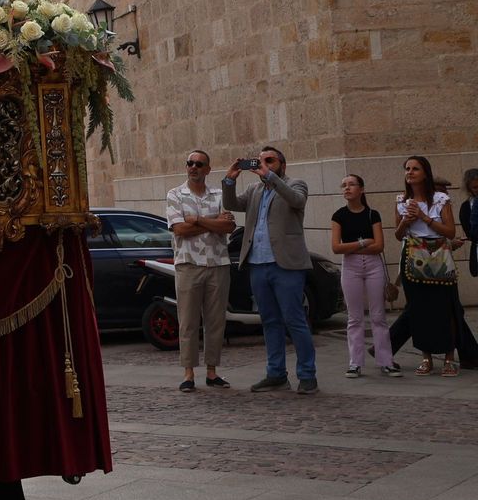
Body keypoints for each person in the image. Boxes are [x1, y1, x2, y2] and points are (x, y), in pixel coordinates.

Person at [222, 146, 316, 394]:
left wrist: (271, 178)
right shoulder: (254, 190)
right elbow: (230, 203)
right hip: (258, 263)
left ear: (281, 165)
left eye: (269, 160)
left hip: (286, 264)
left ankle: (307, 375)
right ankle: (276, 374)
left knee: (294, 320)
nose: (263, 164)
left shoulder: (296, 184)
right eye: (260, 161)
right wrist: (229, 180)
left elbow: (297, 201)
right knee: (269, 321)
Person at [165, 150, 235, 391]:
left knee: (216, 321)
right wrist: (212, 221)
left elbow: (228, 226)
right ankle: (188, 373)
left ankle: (212, 372)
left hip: (217, 263)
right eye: (190, 163)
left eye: (199, 164)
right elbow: (179, 230)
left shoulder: (218, 194)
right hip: (188, 263)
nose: (193, 167)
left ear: (207, 169)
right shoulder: (175, 194)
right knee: (188, 321)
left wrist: (197, 220)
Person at [395, 155, 459, 376]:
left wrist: (424, 217)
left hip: (439, 255)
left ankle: (449, 357)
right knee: (418, 310)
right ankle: (426, 357)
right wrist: (406, 220)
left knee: (444, 308)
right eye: (407, 168)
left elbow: (451, 232)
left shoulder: (440, 199)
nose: (410, 172)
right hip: (413, 257)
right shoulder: (402, 201)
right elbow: (397, 234)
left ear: (425, 173)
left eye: (415, 168)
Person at [330, 175, 398, 378]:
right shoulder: (338, 215)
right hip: (350, 267)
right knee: (354, 317)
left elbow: (379, 245)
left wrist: (353, 248)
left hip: (373, 266)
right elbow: (336, 248)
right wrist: (362, 243)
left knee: (378, 316)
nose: (347, 188)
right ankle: (355, 362)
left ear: (362, 189)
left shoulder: (372, 214)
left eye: (351, 184)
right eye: (344, 185)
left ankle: (386, 361)